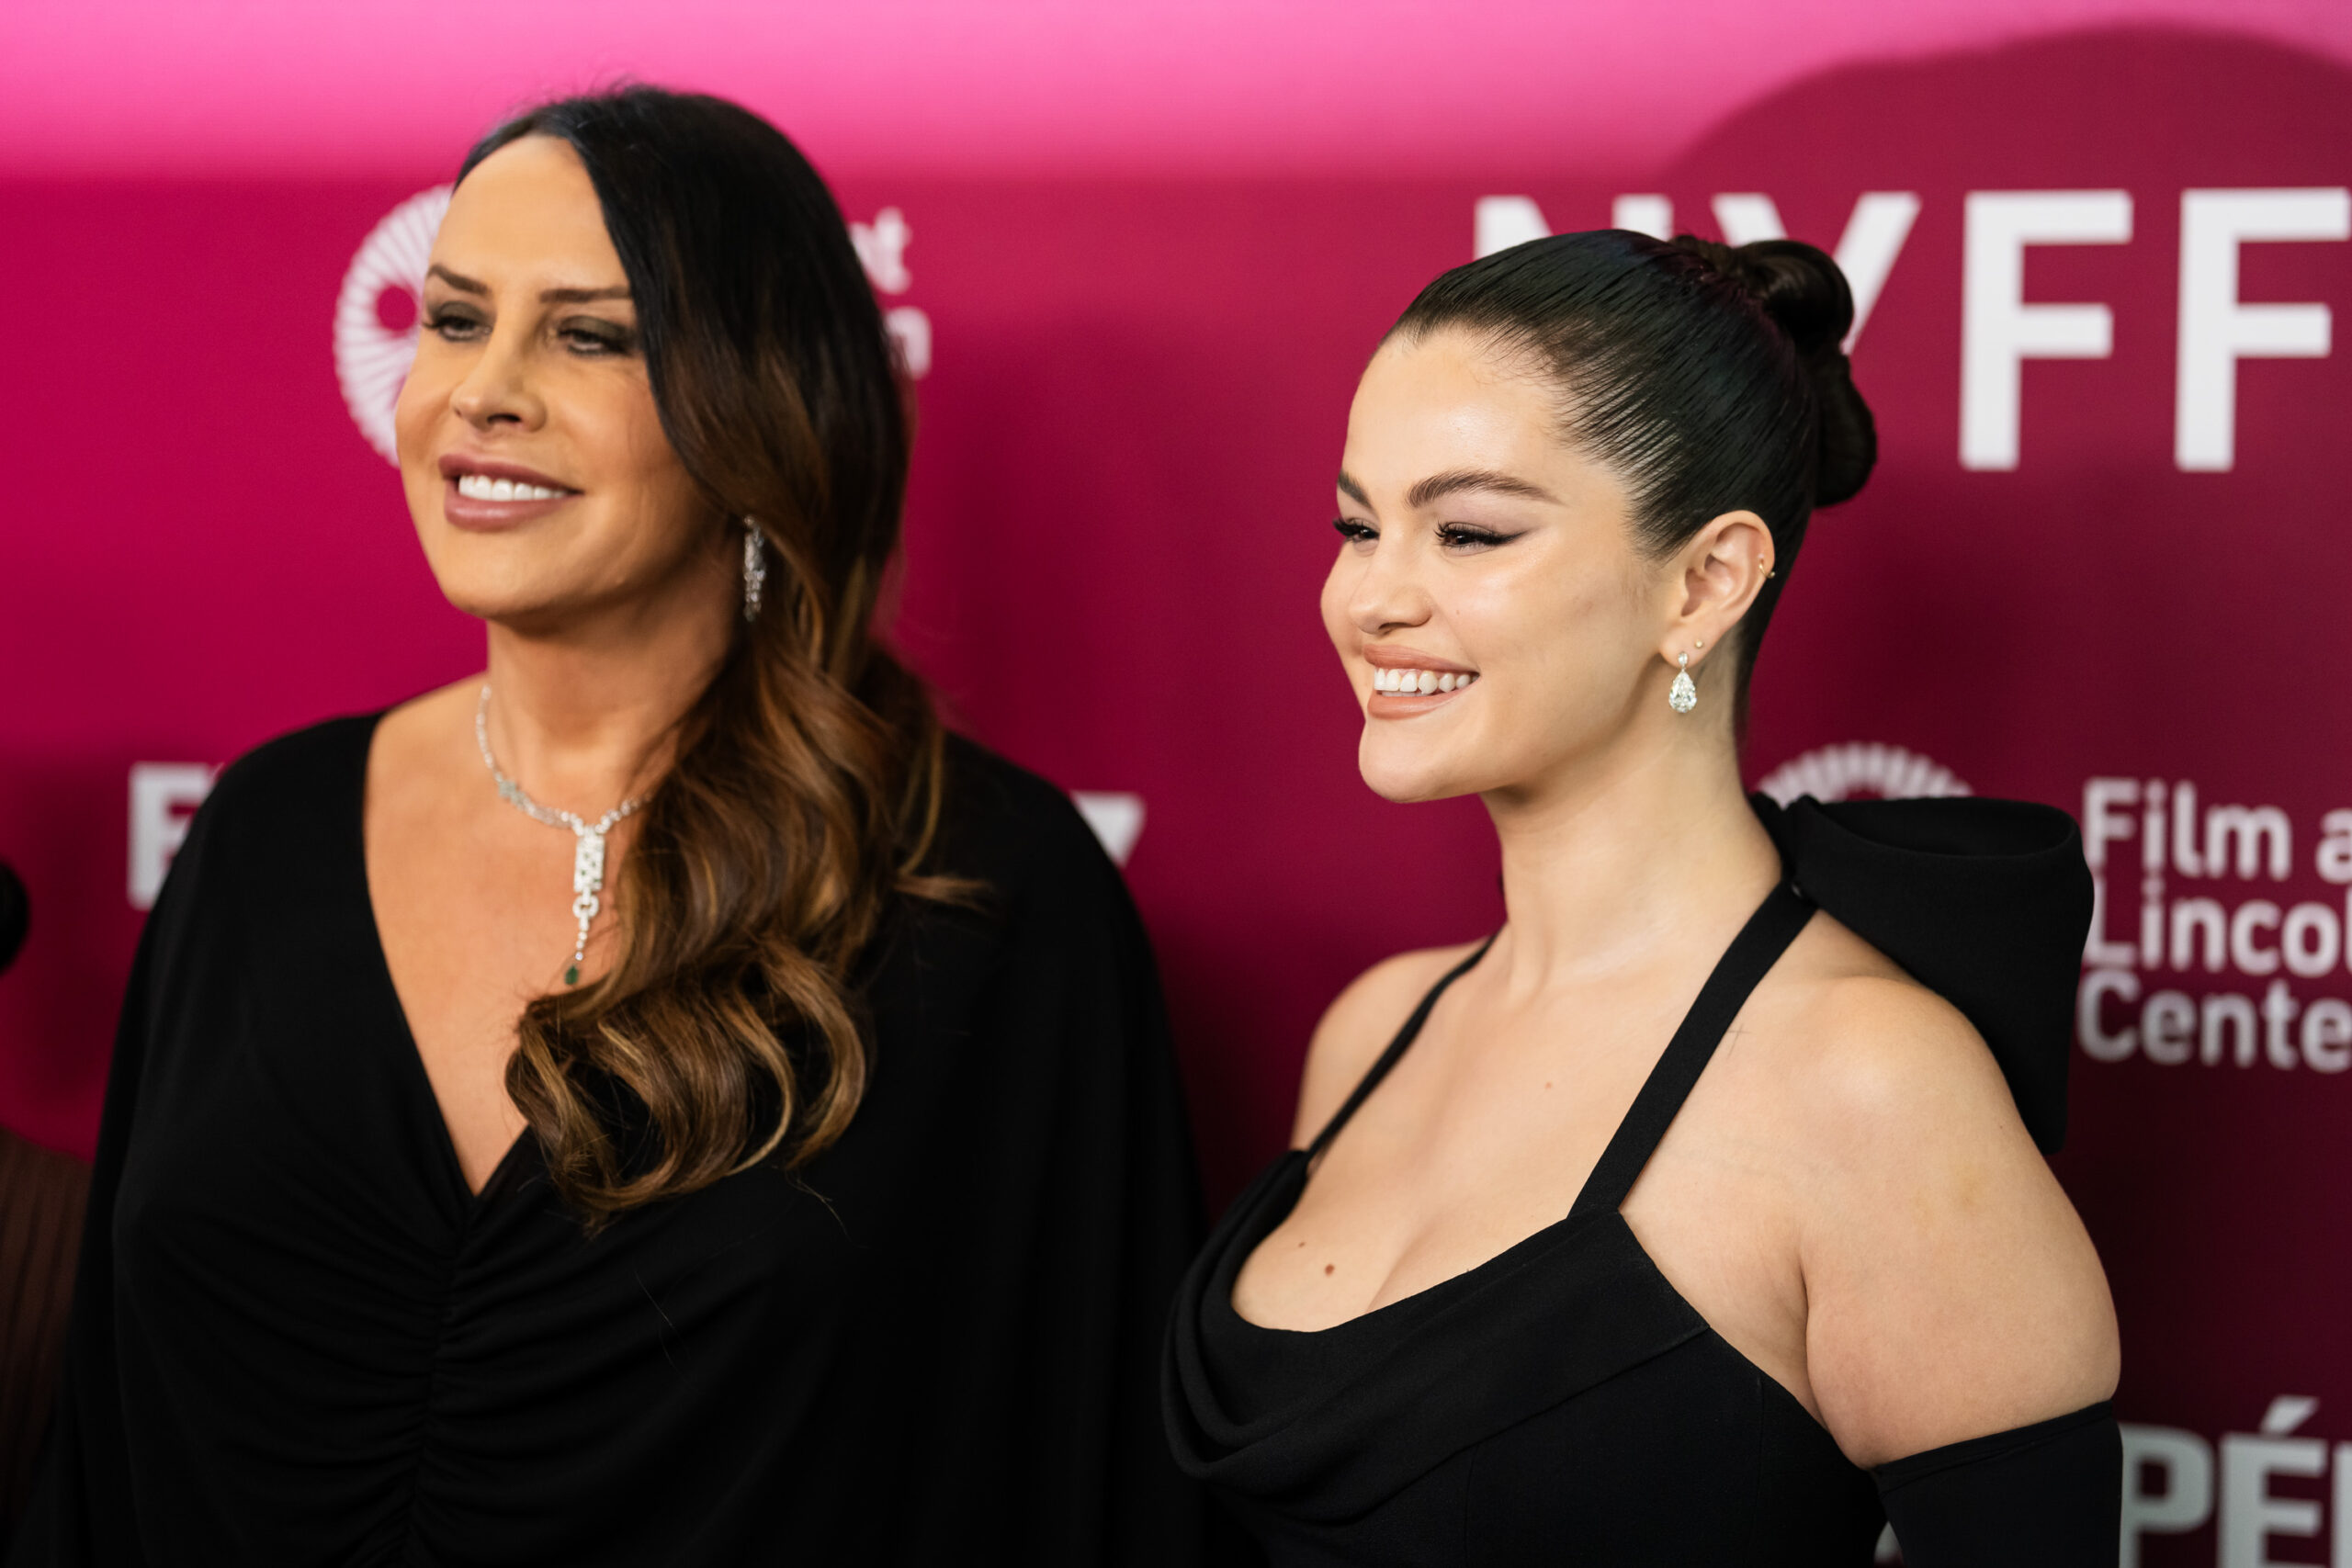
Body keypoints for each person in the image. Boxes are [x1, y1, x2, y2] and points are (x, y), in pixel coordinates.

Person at [16, 87, 1216, 1566]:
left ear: (761, 406)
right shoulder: (260, 837)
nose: (484, 391)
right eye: (455, 320)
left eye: (589, 337)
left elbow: (1087, 1487)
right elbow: (104, 1463)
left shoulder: (985, 895)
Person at [1165, 232, 2122, 1564]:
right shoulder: (1372, 1030)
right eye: (1358, 527)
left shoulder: (1873, 1091)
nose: (1369, 598)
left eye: (1469, 531)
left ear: (1706, 582)